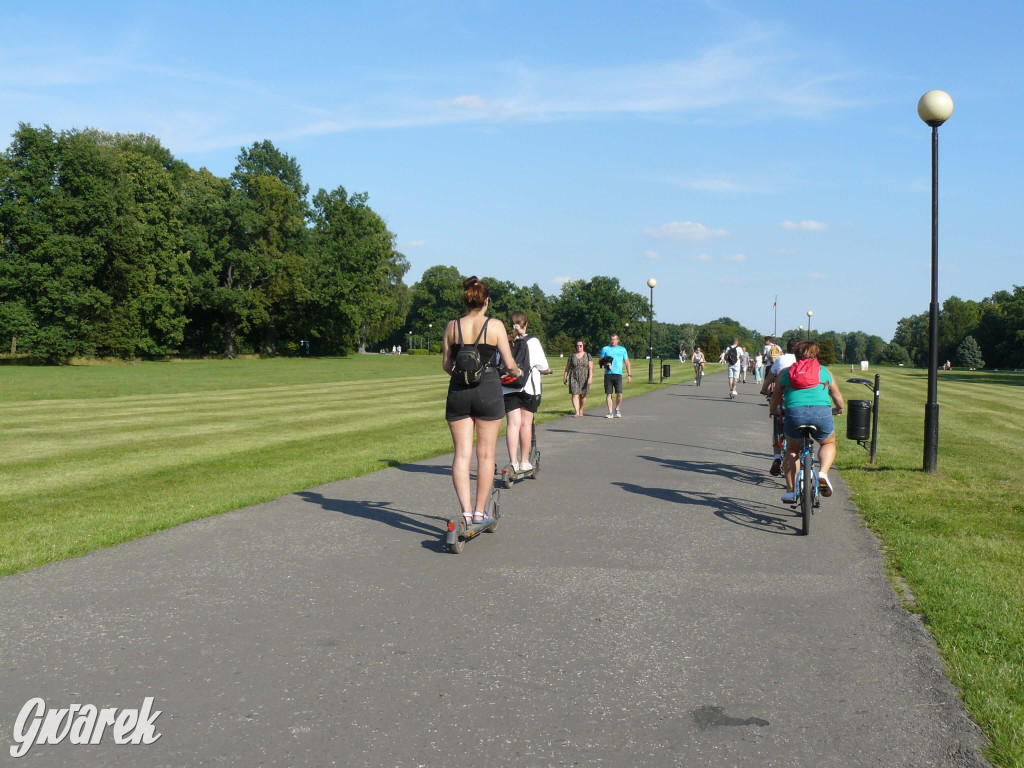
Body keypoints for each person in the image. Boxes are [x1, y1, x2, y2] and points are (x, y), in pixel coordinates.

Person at [443, 277, 521, 526]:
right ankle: (479, 512)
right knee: (485, 455)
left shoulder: (452, 326)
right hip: (488, 390)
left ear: (466, 300)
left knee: (461, 455)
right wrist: (517, 372)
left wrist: (462, 376)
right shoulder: (495, 326)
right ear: (487, 301)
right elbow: (509, 364)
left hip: (458, 392)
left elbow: (446, 364)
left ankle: (465, 512)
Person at [769, 341, 845, 503]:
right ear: (815, 355)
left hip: (795, 414)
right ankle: (823, 472)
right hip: (821, 414)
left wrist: (773, 411)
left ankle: (790, 491)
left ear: (796, 355)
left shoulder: (785, 372)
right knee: (827, 443)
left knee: (792, 451)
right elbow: (837, 397)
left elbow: (775, 398)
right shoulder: (824, 371)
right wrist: (839, 409)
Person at [503, 312, 552, 471]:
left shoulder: (505, 340)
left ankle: (513, 462)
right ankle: (524, 461)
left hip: (508, 387)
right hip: (528, 388)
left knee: (512, 424)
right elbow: (543, 367)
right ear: (526, 325)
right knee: (525, 424)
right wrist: (547, 371)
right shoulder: (533, 341)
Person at [761, 338, 799, 476]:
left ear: (786, 348)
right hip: (801, 402)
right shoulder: (803, 362)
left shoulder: (781, 360)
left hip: (782, 397)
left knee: (778, 424)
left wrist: (764, 390)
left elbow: (770, 378)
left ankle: (777, 458)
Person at [599, 333, 631, 418]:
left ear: (618, 340)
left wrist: (629, 375)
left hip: (618, 374)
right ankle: (610, 412)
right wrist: (605, 362)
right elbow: (600, 360)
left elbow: (627, 362)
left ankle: (617, 409)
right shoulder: (605, 349)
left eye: (614, 339)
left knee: (619, 393)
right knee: (609, 394)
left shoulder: (622, 349)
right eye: (612, 339)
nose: (613, 341)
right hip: (608, 374)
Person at [563, 339, 593, 417]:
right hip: (574, 376)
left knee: (583, 395)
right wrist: (565, 376)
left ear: (583, 346)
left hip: (584, 377)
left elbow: (590, 367)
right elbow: (567, 367)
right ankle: (576, 412)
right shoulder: (572, 355)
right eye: (577, 345)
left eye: (580, 346)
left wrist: (590, 377)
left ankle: (581, 409)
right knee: (575, 394)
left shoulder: (587, 355)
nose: (579, 347)